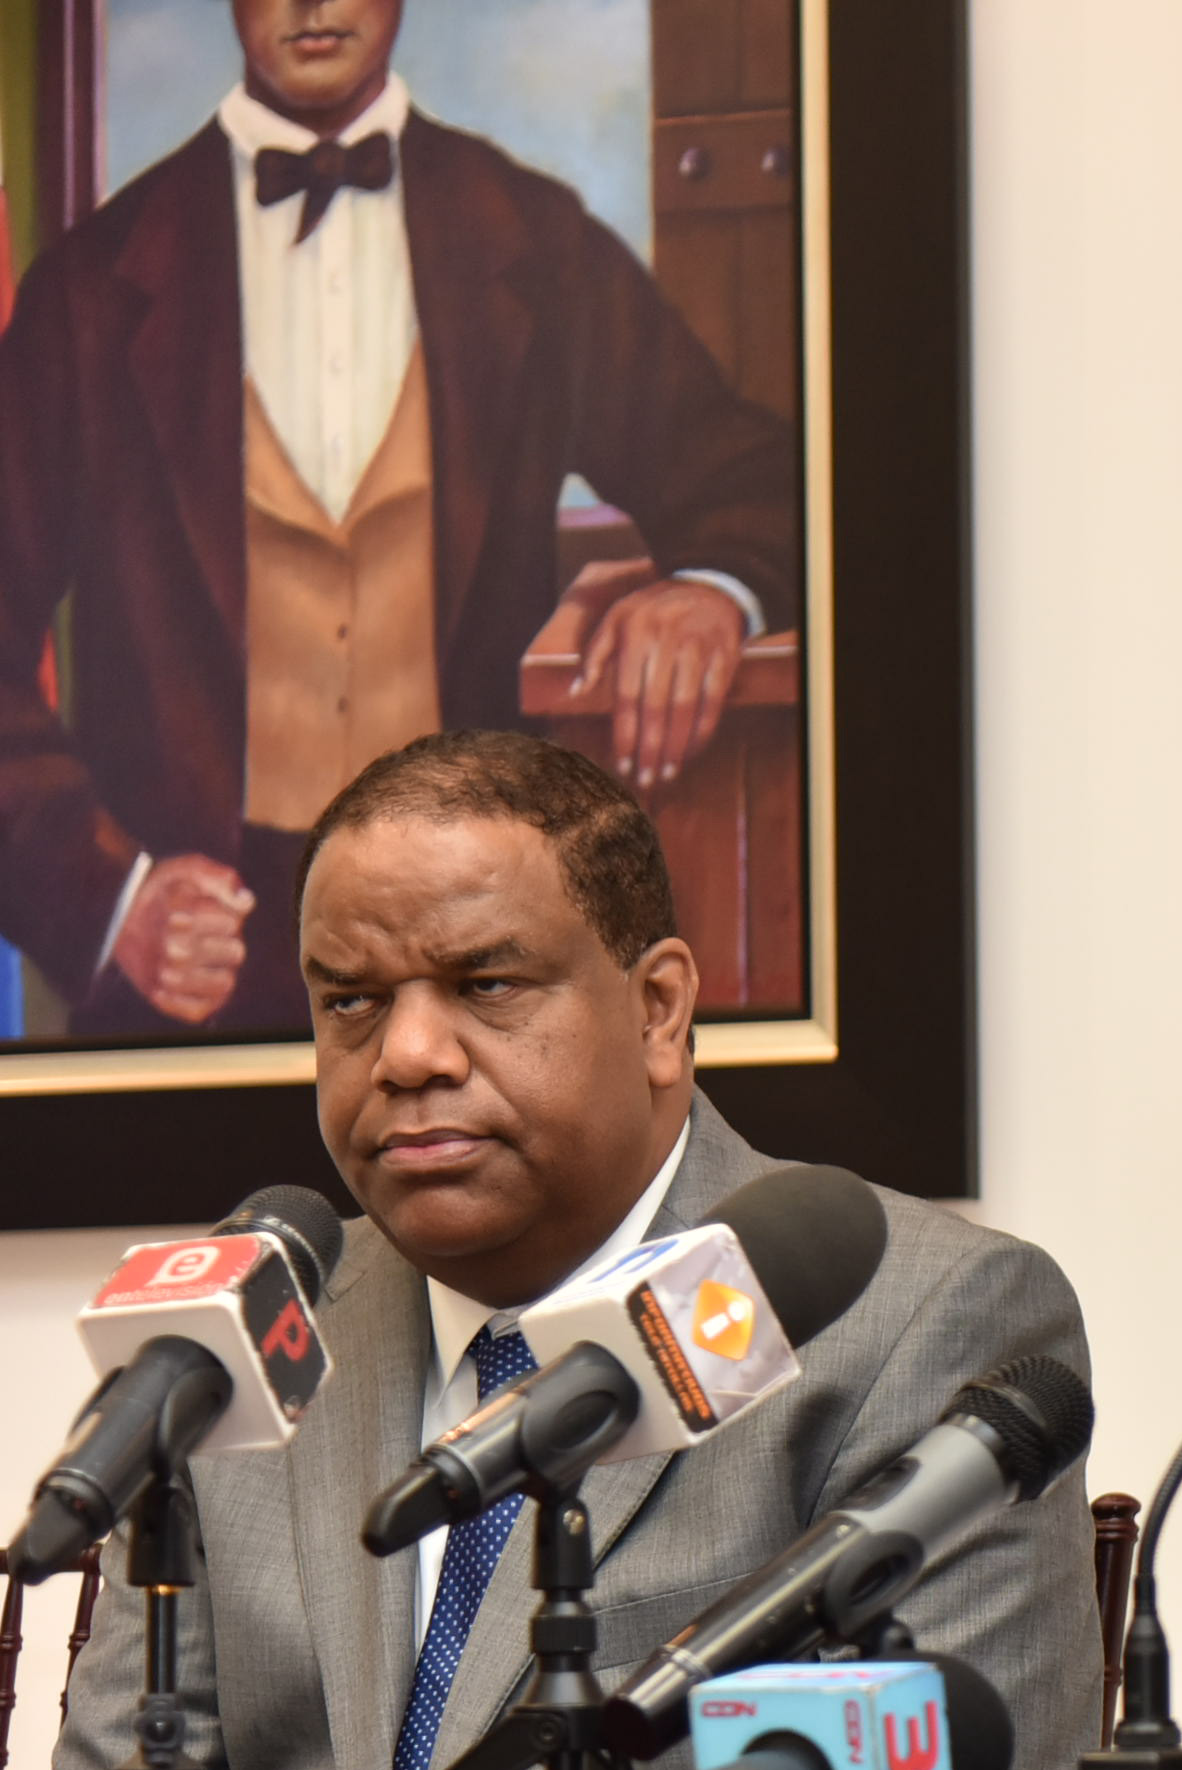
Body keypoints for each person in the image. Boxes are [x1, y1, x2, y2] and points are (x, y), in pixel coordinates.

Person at [47, 731, 1096, 1770]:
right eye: (350, 1001)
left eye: (485, 984)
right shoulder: (253, 1336)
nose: (406, 1054)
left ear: (658, 1011)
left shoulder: (916, 1322)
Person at [0, 0, 797, 1038]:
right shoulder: (88, 289)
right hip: (194, 972)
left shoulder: (537, 241)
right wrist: (109, 895)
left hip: (481, 946)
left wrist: (715, 588)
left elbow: (752, 472)